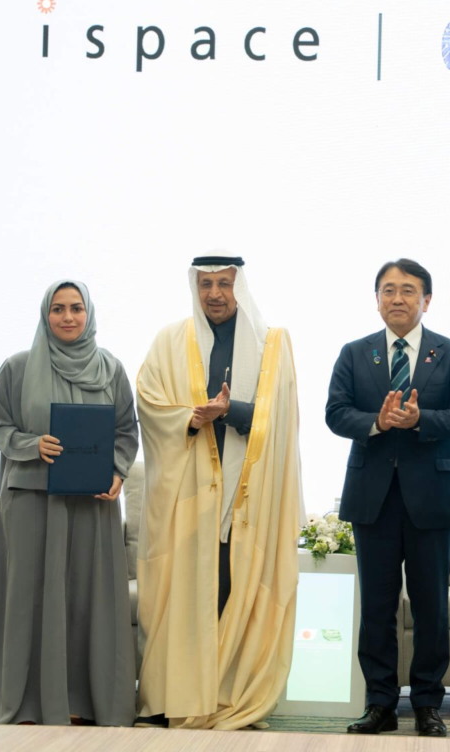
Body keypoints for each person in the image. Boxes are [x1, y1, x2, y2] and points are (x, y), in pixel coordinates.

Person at [135, 252, 302, 730]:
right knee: (181, 594)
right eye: (205, 284)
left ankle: (225, 695)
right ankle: (172, 698)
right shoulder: (170, 340)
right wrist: (191, 417)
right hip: (185, 494)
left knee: (230, 586)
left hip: (245, 493)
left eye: (224, 284)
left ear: (239, 287)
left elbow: (281, 418)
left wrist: (230, 412)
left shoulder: (272, 344)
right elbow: (149, 402)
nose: (214, 294)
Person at [0, 280, 139, 726]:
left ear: (89, 313)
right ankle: (24, 703)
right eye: (58, 309)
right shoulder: (17, 368)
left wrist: (117, 472)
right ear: (46, 315)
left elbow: (126, 430)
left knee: (86, 600)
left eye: (76, 308)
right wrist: (30, 444)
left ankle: (83, 702)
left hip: (91, 502)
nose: (67, 317)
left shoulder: (111, 369)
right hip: (31, 502)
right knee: (28, 599)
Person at [326, 258, 450, 737]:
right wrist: (376, 421)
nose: (397, 298)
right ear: (376, 300)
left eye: (408, 290)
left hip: (432, 498)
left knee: (432, 606)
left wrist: (420, 421)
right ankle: (380, 704)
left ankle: (428, 704)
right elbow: (335, 413)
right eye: (388, 290)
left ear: (426, 300)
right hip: (372, 497)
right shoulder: (355, 353)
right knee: (376, 607)